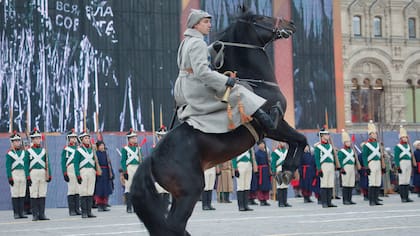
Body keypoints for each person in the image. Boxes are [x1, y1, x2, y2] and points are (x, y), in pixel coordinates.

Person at [174, 9, 278, 135]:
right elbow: (202, 72)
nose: (209, 25)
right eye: (205, 22)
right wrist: (226, 81)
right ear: (196, 25)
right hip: (196, 89)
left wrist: (212, 49)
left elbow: (192, 61)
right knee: (239, 92)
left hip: (183, 87)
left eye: (209, 22)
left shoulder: (187, 41)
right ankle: (268, 122)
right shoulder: (198, 43)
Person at [26, 128, 51, 221]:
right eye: (35, 138)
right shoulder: (28, 151)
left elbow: (48, 164)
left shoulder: (44, 150)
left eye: (39, 138)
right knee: (33, 193)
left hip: (42, 172)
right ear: (32, 140)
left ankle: (42, 214)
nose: (37, 140)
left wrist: (49, 175)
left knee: (42, 193)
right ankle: (35, 214)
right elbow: (26, 165)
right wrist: (27, 177)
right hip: (33, 173)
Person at [6, 131, 29, 219]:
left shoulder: (24, 153)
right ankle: (16, 213)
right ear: (12, 142)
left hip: (22, 173)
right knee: (15, 193)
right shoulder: (10, 153)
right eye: (15, 141)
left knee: (22, 193)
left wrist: (27, 176)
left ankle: (21, 212)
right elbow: (8, 166)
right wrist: (10, 177)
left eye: (18, 141)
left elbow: (26, 165)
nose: (17, 143)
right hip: (14, 173)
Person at [74, 130, 97, 218]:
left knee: (90, 191)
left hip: (91, 171)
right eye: (85, 138)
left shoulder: (92, 150)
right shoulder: (79, 151)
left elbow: (95, 161)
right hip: (83, 171)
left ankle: (89, 211)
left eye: (88, 138)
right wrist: (78, 175)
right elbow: (76, 163)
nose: (88, 140)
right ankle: (84, 212)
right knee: (83, 192)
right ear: (82, 140)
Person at [120, 128, 142, 213]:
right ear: (129, 139)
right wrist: (125, 171)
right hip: (129, 168)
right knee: (128, 187)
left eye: (135, 137)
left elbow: (141, 159)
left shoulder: (138, 148)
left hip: (137, 167)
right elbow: (123, 161)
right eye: (133, 138)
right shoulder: (125, 149)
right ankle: (129, 207)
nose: (135, 139)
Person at [314, 127, 337, 208]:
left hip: (330, 165)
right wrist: (319, 169)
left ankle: (329, 202)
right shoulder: (318, 147)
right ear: (322, 136)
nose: (328, 136)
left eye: (328, 134)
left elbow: (333, 156)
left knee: (330, 184)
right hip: (323, 165)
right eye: (326, 134)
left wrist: (335, 165)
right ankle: (324, 202)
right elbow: (317, 158)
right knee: (324, 184)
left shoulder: (330, 146)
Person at [61, 129, 81, 216]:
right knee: (71, 190)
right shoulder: (66, 149)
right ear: (68, 139)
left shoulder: (79, 149)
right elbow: (63, 162)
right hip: (70, 169)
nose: (73, 139)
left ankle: (77, 208)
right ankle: (72, 210)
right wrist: (65, 173)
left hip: (78, 169)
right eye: (71, 138)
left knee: (78, 189)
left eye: (74, 138)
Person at [362, 121, 383, 206]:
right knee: (372, 182)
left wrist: (383, 165)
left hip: (378, 163)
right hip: (371, 163)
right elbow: (364, 156)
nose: (375, 135)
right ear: (370, 135)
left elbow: (380, 155)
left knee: (377, 181)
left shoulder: (378, 144)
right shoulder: (366, 145)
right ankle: (372, 200)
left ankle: (376, 199)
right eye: (373, 133)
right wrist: (366, 167)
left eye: (375, 133)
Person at [394, 126, 413, 203]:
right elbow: (396, 157)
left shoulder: (408, 146)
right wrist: (398, 166)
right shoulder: (398, 146)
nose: (405, 138)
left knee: (407, 180)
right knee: (402, 180)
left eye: (406, 137)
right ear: (401, 138)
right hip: (402, 163)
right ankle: (403, 197)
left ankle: (407, 196)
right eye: (404, 137)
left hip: (408, 162)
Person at [338, 130, 357, 205]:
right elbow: (340, 160)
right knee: (346, 184)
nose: (349, 143)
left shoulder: (352, 151)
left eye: (349, 142)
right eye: (347, 142)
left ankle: (349, 199)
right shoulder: (342, 151)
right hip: (345, 167)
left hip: (351, 167)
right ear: (344, 143)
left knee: (351, 184)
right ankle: (345, 200)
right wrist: (342, 168)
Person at [94, 141, 114, 211]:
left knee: (106, 189)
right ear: (97, 147)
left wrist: (112, 173)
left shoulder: (106, 154)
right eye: (100, 145)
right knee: (99, 189)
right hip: (99, 172)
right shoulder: (96, 154)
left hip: (106, 172)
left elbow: (109, 164)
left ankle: (105, 204)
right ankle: (99, 205)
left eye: (103, 145)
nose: (102, 147)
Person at [271, 142, 291, 207]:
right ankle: (280, 202)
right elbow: (273, 162)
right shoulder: (275, 152)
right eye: (282, 142)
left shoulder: (287, 151)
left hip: (286, 169)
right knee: (280, 186)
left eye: (284, 143)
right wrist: (273, 171)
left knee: (285, 185)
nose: (283, 144)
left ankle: (285, 201)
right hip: (279, 169)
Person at [255, 141, 271, 206]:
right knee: (260, 186)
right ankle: (261, 199)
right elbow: (256, 163)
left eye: (263, 144)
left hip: (266, 170)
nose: (262, 145)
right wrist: (257, 171)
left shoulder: (266, 153)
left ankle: (265, 199)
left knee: (266, 185)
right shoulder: (257, 153)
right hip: (260, 171)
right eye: (260, 144)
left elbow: (268, 162)